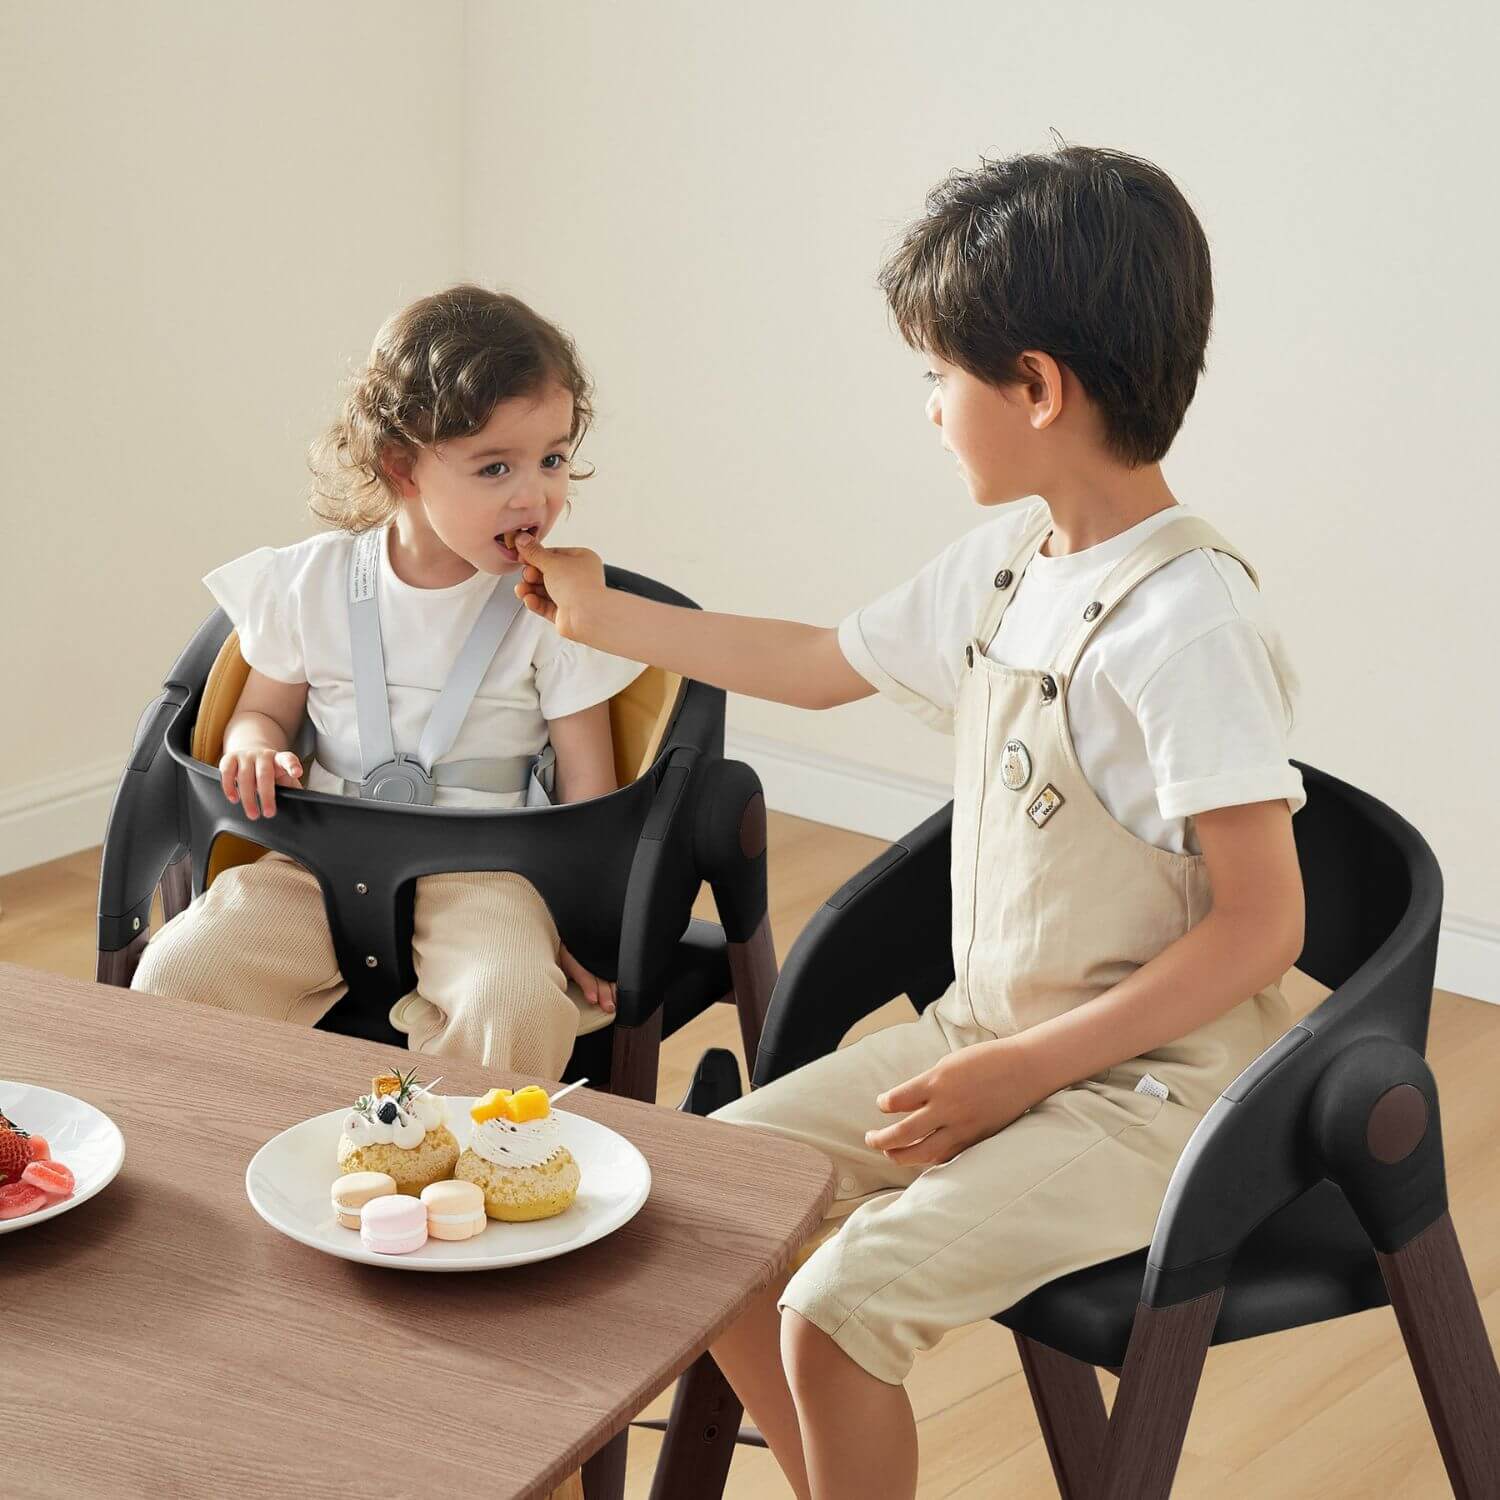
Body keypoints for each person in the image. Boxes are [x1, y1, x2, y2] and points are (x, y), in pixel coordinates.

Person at [510, 144, 1305, 1499]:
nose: (930, 408)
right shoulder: (1011, 563)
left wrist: (1026, 1069)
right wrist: (604, 617)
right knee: (702, 1197)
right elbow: (827, 662)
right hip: (982, 1036)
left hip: (1154, 1096)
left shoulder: (1190, 623)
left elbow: (1262, 924)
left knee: (836, 1306)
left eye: (939, 376)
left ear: (1037, 387)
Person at [131, 284, 645, 1076]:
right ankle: (221, 1149)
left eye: (552, 459)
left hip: (489, 875)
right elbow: (260, 715)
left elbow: (589, 801)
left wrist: (581, 925)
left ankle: (478, 1173)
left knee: (515, 1005)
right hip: (316, 862)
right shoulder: (311, 581)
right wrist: (256, 747)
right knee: (178, 972)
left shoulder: (558, 604)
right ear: (401, 467)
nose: (533, 495)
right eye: (494, 466)